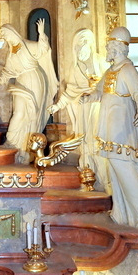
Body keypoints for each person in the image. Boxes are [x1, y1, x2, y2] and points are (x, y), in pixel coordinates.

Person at [83, 27, 138, 227]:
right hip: (110, 127)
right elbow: (100, 92)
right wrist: (89, 97)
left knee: (127, 172)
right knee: (115, 172)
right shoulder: (110, 71)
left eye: (110, 46)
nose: (107, 49)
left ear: (118, 47)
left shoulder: (127, 70)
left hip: (123, 129)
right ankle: (122, 213)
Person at [48, 29, 103, 183]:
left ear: (91, 44)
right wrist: (57, 106)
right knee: (85, 140)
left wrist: (96, 92)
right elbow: (70, 91)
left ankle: (100, 172)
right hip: (83, 110)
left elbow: (111, 86)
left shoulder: (101, 62)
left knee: (97, 139)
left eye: (84, 43)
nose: (81, 47)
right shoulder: (75, 68)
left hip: (99, 108)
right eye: (78, 44)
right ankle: (88, 168)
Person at [0, 20, 58, 163]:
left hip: (34, 80)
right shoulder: (11, 53)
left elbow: (43, 49)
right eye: (2, 34)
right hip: (21, 81)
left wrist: (41, 34)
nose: (4, 36)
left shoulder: (27, 45)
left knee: (32, 114)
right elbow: (6, 73)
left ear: (12, 32)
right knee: (18, 113)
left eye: (4, 33)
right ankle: (11, 142)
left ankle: (27, 149)